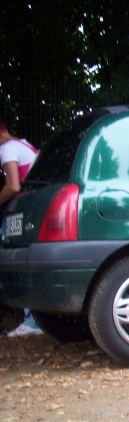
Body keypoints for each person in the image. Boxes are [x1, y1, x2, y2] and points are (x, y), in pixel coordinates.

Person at [0, 118, 42, 338]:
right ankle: (35, 320)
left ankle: (32, 322)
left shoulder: (6, 150)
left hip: (24, 208)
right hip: (36, 205)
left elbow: (13, 186)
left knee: (20, 259)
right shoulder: (23, 144)